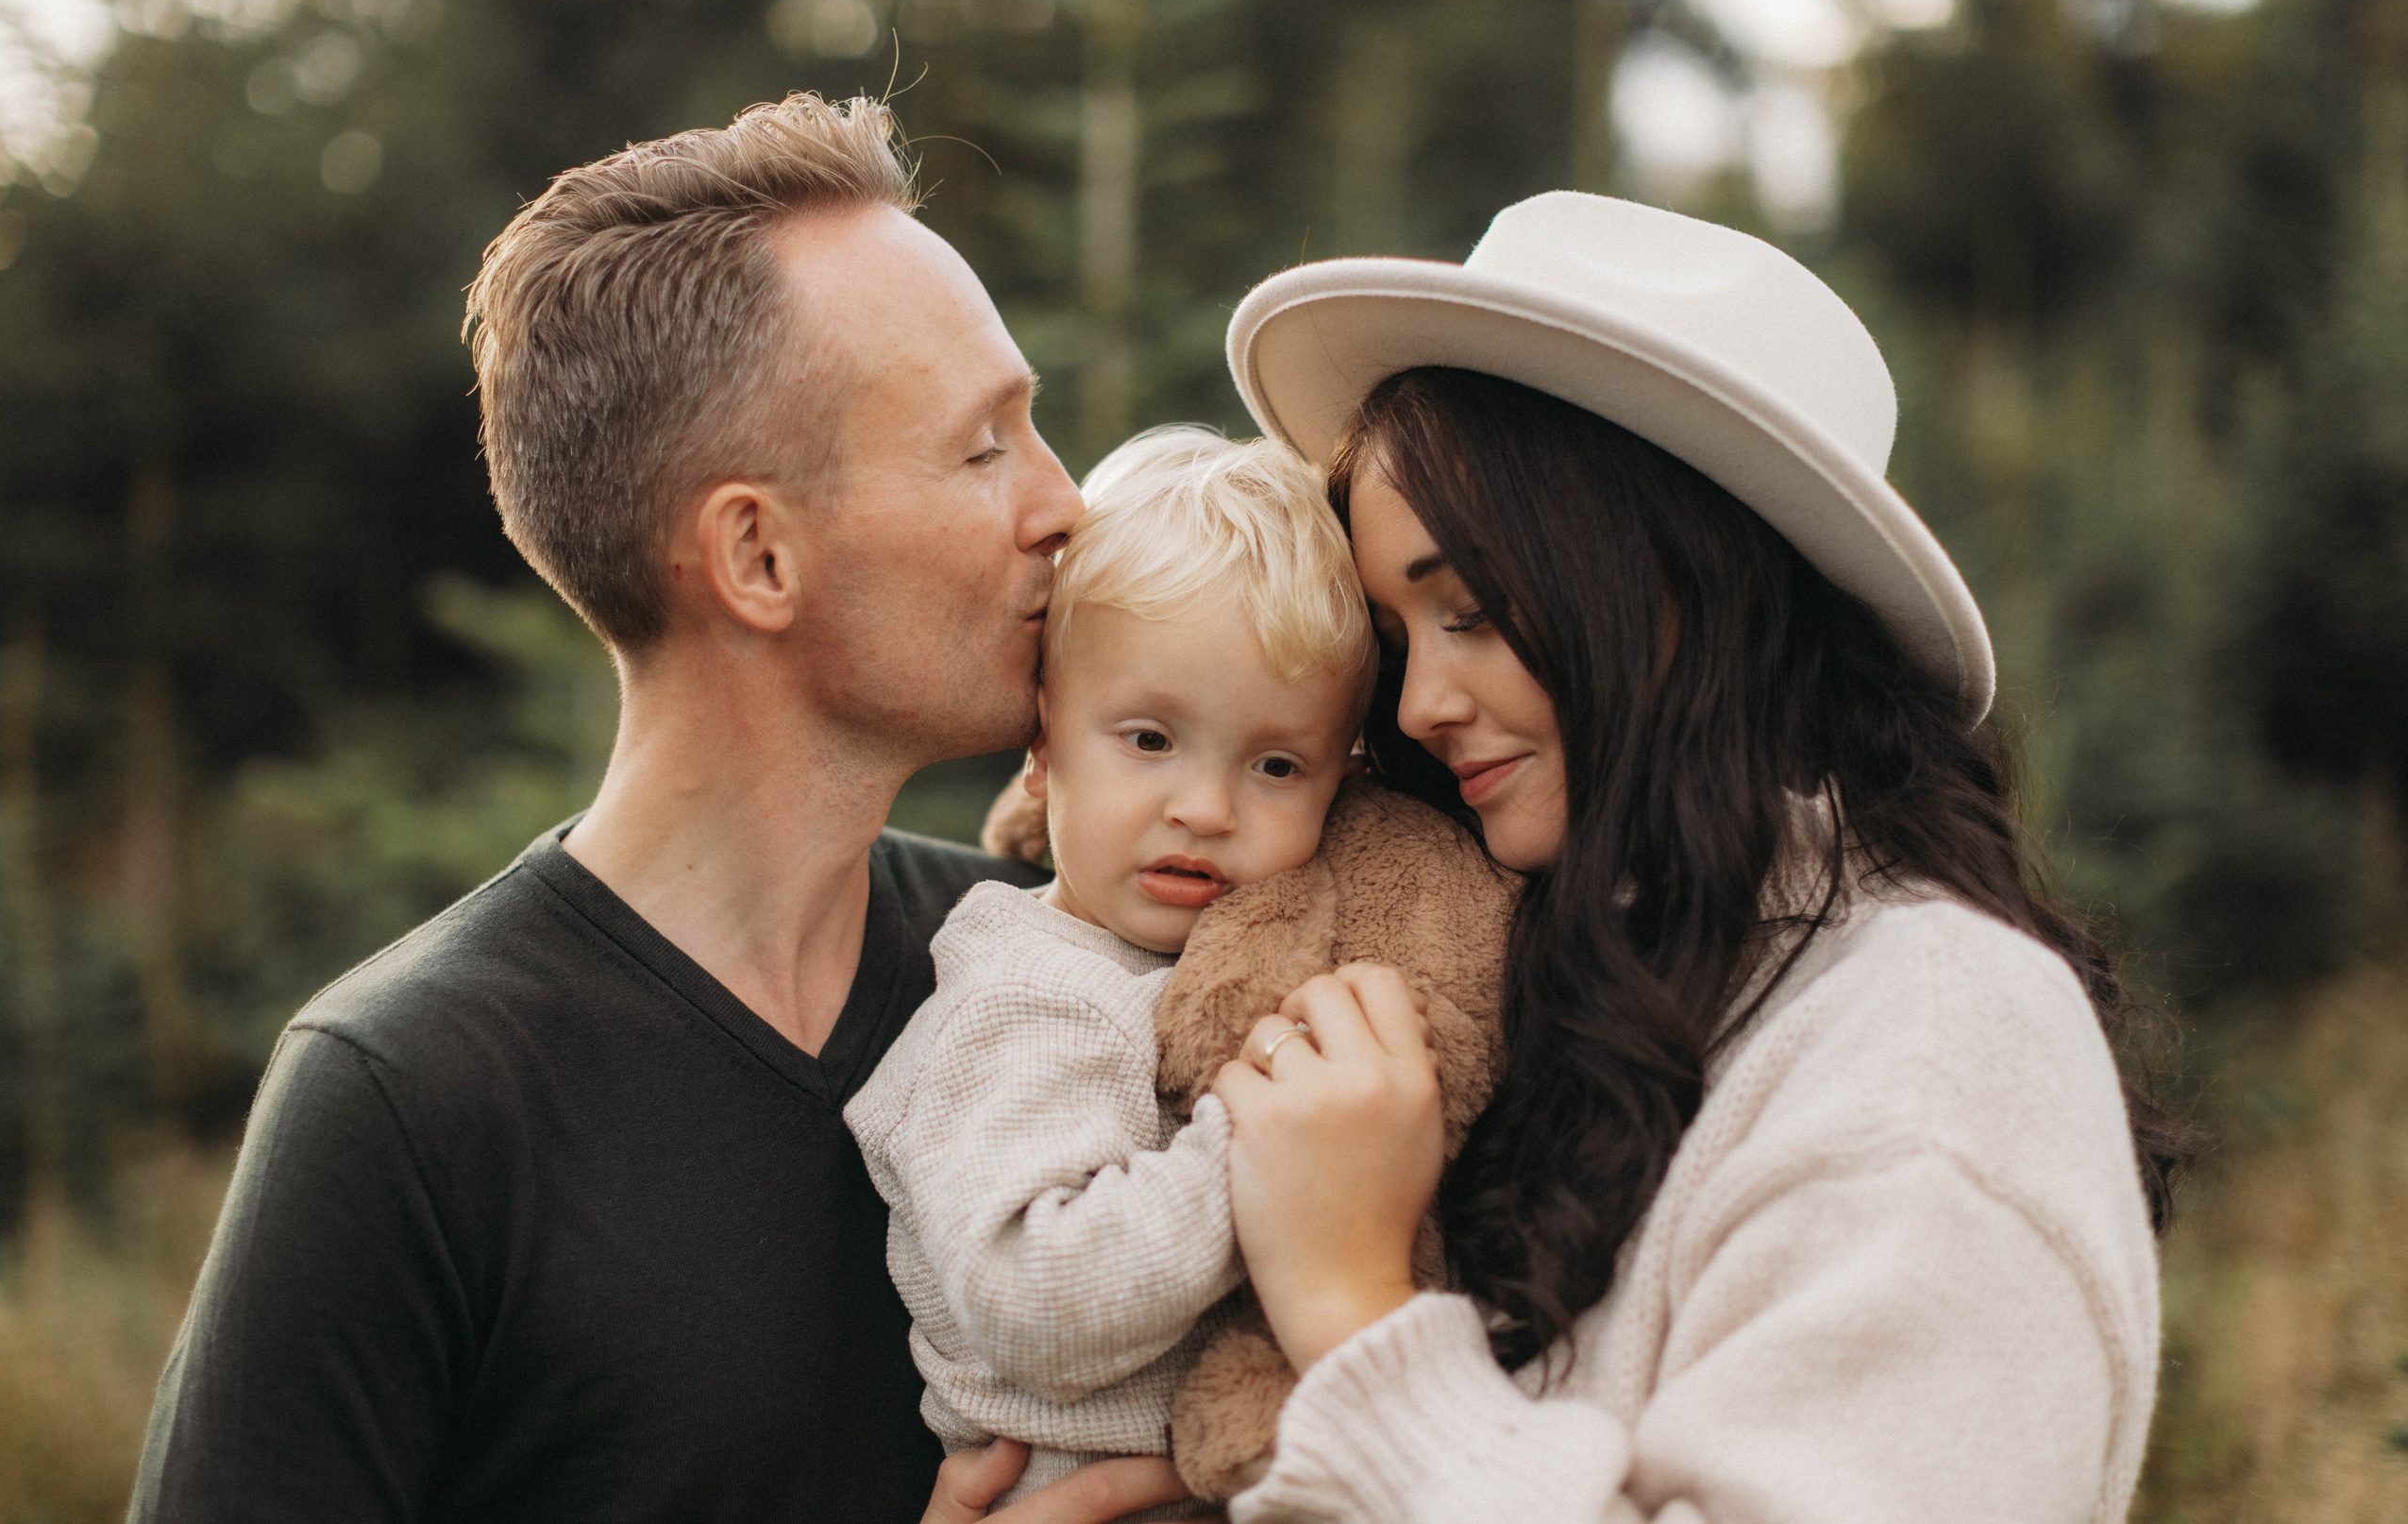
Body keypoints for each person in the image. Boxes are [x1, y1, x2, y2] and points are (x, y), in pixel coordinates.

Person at [130, 93, 1195, 1524]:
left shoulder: (1065, 966)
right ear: (756, 553)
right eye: (984, 445)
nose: (1064, 505)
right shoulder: (410, 1103)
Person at [1203, 193, 2185, 1522]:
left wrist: (1353, 1307)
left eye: (1473, 610)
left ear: (1680, 590)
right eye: (1398, 633)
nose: (1423, 700)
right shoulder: (1585, 980)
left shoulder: (1935, 1045)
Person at [847, 428, 1373, 1516]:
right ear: (1042, 749)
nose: (1207, 807)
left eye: (1276, 764)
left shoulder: (1218, 956)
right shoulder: (1023, 999)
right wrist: (1269, 1136)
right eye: (1147, 739)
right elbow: (1035, 1299)